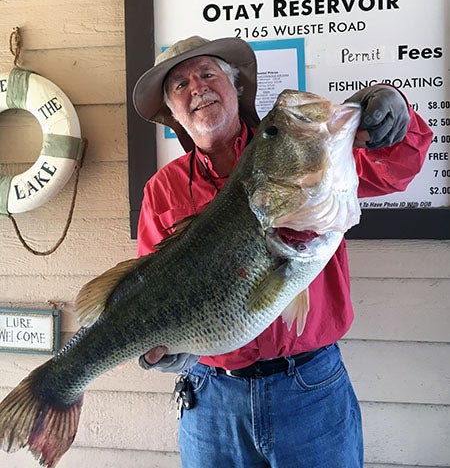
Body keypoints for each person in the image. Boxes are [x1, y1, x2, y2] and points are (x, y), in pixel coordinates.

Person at [132, 35, 433, 468]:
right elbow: (151, 291)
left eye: (206, 74)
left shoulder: (304, 150)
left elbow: (395, 168)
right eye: (179, 85)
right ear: (172, 114)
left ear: (235, 87)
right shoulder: (162, 189)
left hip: (310, 387)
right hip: (210, 395)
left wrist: (396, 116)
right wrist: (165, 346)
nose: (196, 88)